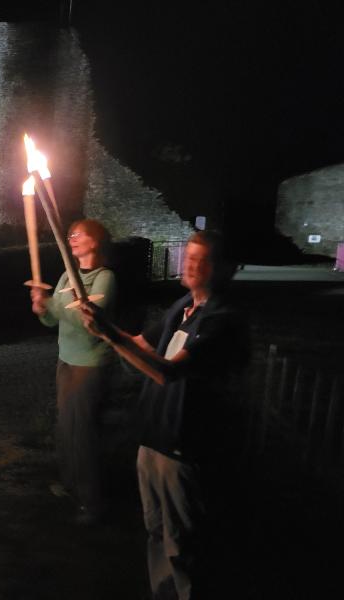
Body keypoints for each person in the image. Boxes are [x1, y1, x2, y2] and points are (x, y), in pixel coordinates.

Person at [80, 230, 248, 600]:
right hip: (153, 440)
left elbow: (166, 372)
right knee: (157, 534)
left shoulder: (222, 321)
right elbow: (141, 345)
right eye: (189, 256)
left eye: (201, 260)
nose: (190, 265)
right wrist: (104, 328)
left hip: (185, 447)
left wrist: (111, 336)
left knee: (183, 545)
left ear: (223, 269)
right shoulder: (184, 305)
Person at [30, 218, 117, 525]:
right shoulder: (67, 275)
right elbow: (53, 319)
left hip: (89, 364)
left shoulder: (105, 278)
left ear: (95, 242)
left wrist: (56, 306)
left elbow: (88, 323)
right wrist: (42, 309)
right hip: (66, 360)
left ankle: (91, 502)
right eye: (70, 235)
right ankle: (70, 485)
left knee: (83, 432)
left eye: (78, 235)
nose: (72, 239)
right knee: (66, 427)